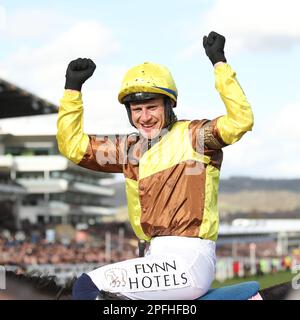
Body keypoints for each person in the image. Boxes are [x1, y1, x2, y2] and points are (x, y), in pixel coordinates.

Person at [56, 31, 254, 300]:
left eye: (151, 107)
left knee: (86, 286)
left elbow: (241, 121)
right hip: (154, 256)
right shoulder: (127, 150)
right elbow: (73, 146)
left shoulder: (196, 136)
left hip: (190, 258)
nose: (144, 117)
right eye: (137, 110)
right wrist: (72, 91)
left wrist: (219, 63)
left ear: (169, 105)